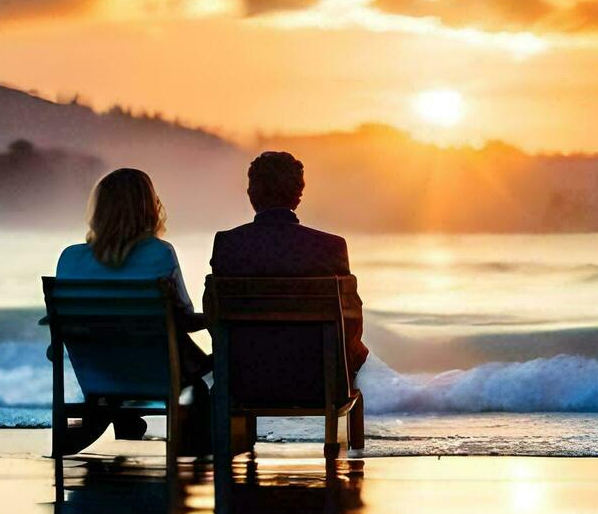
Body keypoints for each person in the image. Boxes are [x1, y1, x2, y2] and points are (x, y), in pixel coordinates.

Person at [54, 168, 211, 450]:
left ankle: (121, 419)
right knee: (199, 386)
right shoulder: (159, 253)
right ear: (149, 208)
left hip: (97, 376)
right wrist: (215, 319)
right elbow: (185, 318)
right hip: (157, 376)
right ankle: (197, 453)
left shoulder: (70, 258)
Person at [208, 151, 369, 378]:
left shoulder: (228, 245)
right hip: (317, 379)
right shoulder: (331, 247)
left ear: (251, 194)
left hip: (245, 378)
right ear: (298, 196)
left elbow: (213, 316)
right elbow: (352, 322)